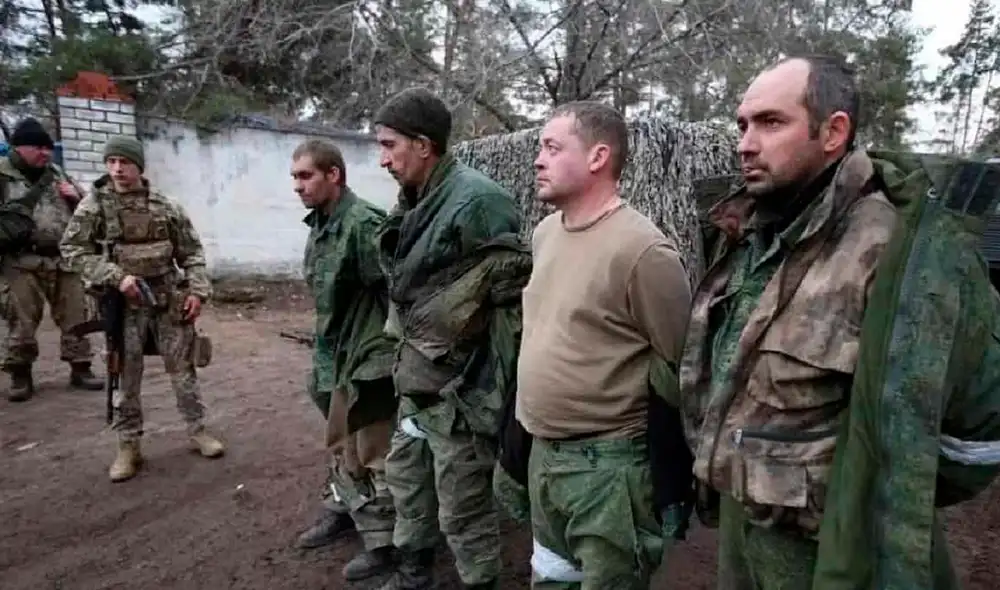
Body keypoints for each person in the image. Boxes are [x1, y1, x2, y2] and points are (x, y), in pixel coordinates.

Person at [680, 54, 1000, 589]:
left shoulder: (901, 251)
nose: (745, 143)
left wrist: (879, 497)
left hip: (833, 554)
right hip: (742, 530)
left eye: (771, 122)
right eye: (742, 124)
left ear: (833, 132)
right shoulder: (748, 233)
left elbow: (982, 429)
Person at [511, 101, 694, 589]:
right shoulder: (545, 234)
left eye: (552, 147)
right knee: (551, 577)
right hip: (543, 457)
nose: (538, 159)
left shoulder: (643, 251)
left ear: (597, 157)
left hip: (608, 471)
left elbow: (679, 359)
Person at [372, 87, 530, 590]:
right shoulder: (417, 198)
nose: (383, 160)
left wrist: (486, 398)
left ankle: (479, 582)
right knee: (407, 480)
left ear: (423, 145)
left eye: (389, 145)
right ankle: (413, 568)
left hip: (461, 389)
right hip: (417, 375)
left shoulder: (478, 201)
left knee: (463, 505)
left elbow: (510, 311)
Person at [59, 135, 225, 482]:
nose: (118, 169)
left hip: (167, 299)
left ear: (139, 166)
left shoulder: (165, 206)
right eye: (112, 162)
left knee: (183, 370)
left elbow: (192, 253)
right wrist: (115, 277)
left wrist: (197, 291)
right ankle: (128, 445)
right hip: (125, 305)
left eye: (125, 162)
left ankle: (197, 430)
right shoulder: (94, 207)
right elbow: (73, 251)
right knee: (125, 375)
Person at [289, 138, 399, 582]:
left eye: (305, 176)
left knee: (376, 452)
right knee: (340, 444)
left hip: (368, 356)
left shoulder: (363, 224)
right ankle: (348, 510)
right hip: (333, 355)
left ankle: (387, 543)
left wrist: (385, 356)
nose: (297, 186)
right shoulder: (322, 223)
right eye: (294, 177)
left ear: (333, 174)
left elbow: (397, 293)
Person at [0, 117, 103, 401]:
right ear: (18, 148)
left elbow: (88, 209)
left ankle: (80, 368)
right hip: (20, 260)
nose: (45, 153)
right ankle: (20, 374)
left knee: (75, 313)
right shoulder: (3, 175)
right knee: (20, 318)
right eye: (38, 148)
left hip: (62, 257)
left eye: (47, 148)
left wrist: (77, 196)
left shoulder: (56, 172)